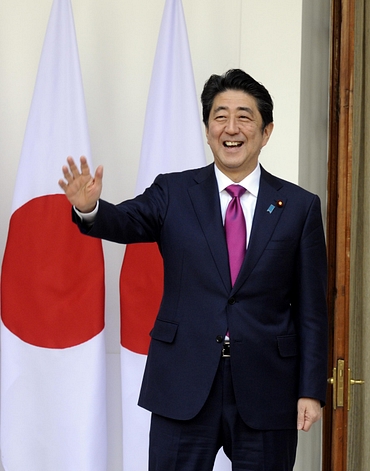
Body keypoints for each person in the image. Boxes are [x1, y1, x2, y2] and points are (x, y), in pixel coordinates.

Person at [59, 69, 329, 471]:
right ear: (207, 130)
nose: (231, 128)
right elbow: (125, 222)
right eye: (220, 116)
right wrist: (89, 209)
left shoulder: (299, 207)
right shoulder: (173, 192)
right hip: (183, 381)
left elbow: (311, 309)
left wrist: (311, 390)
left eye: (244, 116)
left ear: (266, 131)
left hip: (266, 386)